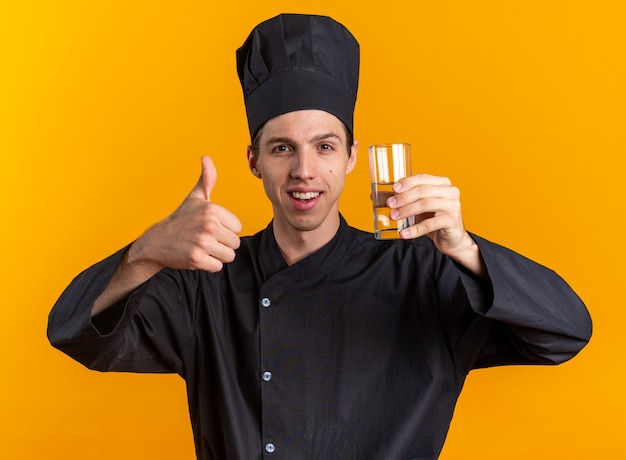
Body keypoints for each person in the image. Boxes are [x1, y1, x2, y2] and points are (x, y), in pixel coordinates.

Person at [48, 13, 592, 460]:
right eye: (282, 148)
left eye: (325, 147)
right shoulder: (208, 281)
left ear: (353, 156)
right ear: (254, 162)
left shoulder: (422, 275)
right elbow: (72, 334)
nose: (305, 170)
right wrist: (145, 253)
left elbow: (566, 333)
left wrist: (464, 249)